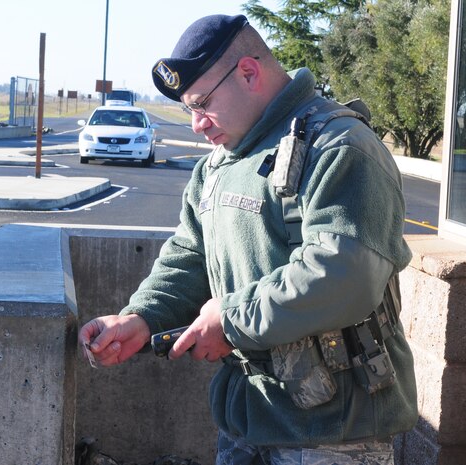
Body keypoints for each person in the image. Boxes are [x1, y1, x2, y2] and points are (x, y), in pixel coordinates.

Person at [79, 13, 417, 465]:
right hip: (248, 419)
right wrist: (141, 318)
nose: (197, 124)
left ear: (249, 73)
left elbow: (344, 273)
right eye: (188, 110)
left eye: (202, 104)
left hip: (333, 434)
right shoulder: (217, 166)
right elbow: (191, 255)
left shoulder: (339, 146)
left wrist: (231, 320)